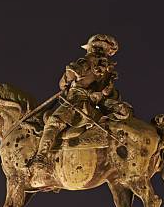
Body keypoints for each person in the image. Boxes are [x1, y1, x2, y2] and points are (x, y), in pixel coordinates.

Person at [30, 34, 120, 176]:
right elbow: (111, 94)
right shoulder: (108, 72)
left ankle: (40, 157)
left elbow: (64, 82)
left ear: (90, 48)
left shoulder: (86, 62)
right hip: (93, 107)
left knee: (53, 123)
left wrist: (67, 79)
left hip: (75, 103)